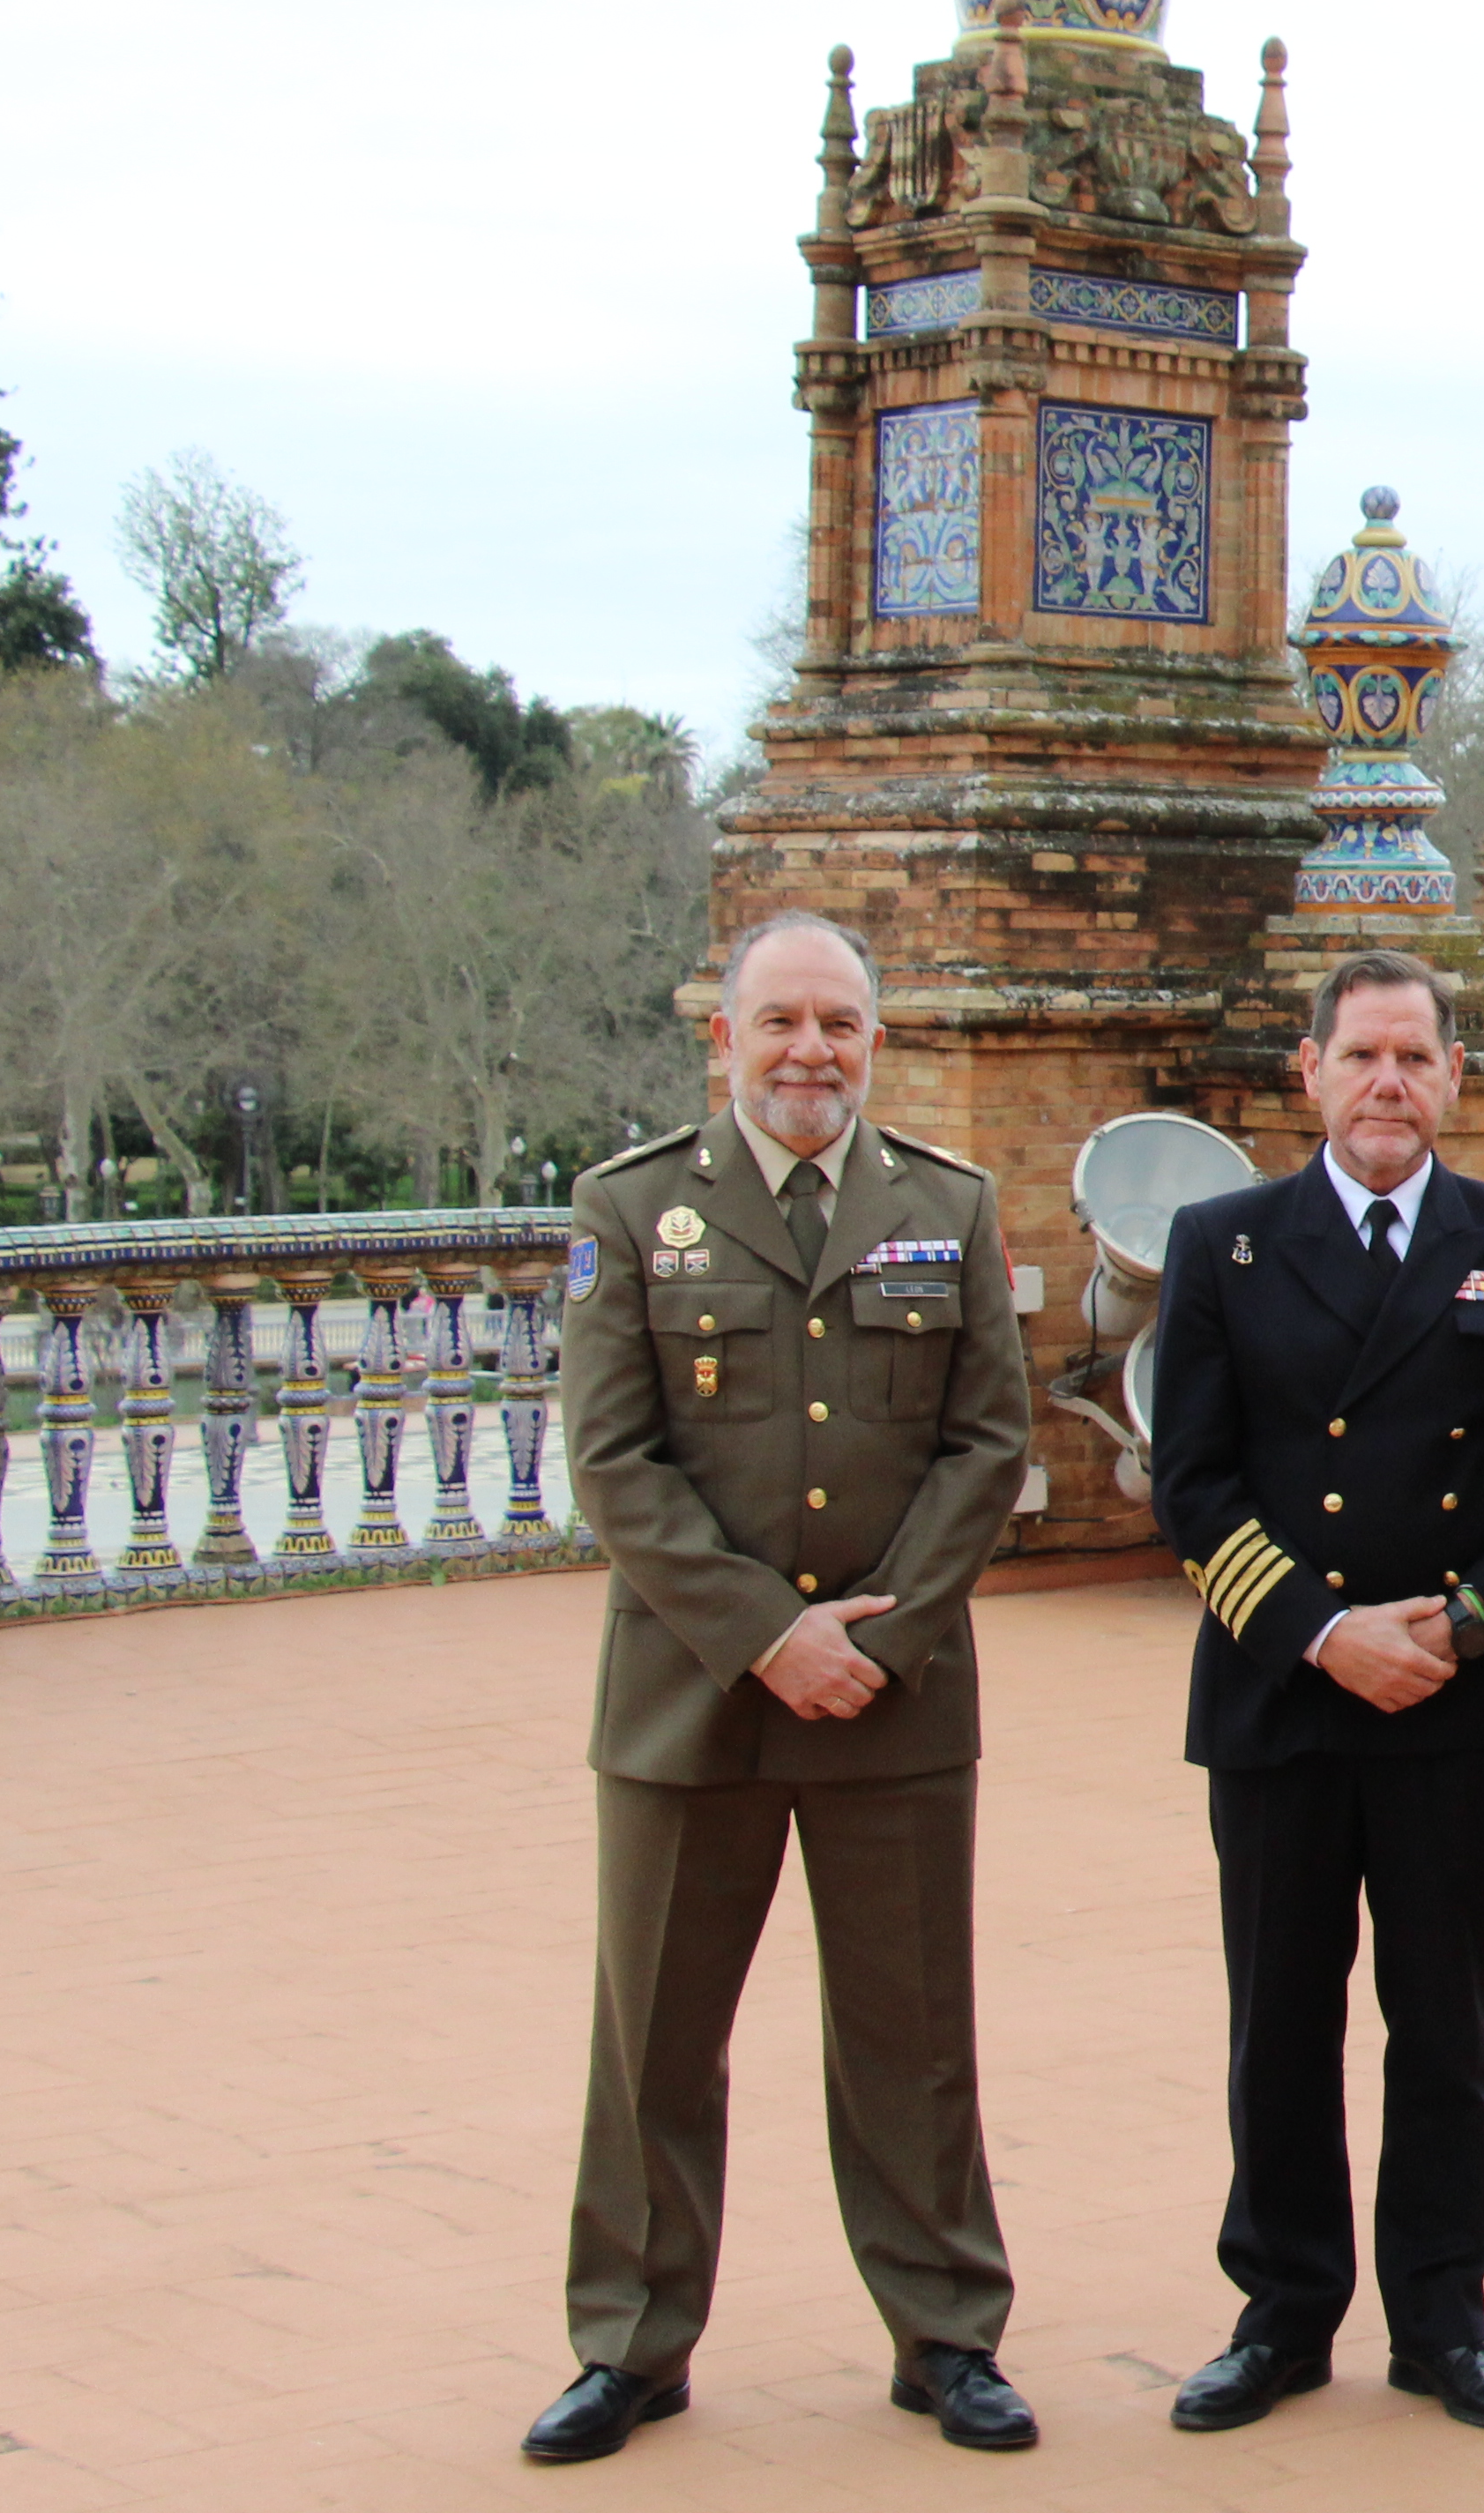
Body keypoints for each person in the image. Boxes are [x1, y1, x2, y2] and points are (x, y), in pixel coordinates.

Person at [529, 908, 1039, 2464]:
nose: (810, 1051)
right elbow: (612, 1463)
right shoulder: (631, 1213)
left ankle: (946, 2333)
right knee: (657, 2042)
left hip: (894, 1698)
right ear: (724, 1039)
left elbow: (986, 1444)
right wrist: (768, 1633)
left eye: (839, 1025)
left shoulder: (944, 1208)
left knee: (913, 2034)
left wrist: (872, 1642)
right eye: (781, 1023)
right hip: (695, 1698)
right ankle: (631, 2341)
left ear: (875, 1042)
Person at [1145, 948, 1484, 2437]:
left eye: (1415, 1059)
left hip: (1458, 1701)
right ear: (1312, 1074)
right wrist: (1322, 1630)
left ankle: (1442, 2316)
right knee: (1279, 2017)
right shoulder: (1222, 1245)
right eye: (1361, 1057)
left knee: (1446, 2016)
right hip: (1287, 1695)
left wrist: (1466, 1627)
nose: (1388, 1085)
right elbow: (1191, 1482)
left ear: (1453, 1081)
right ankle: (1284, 2315)